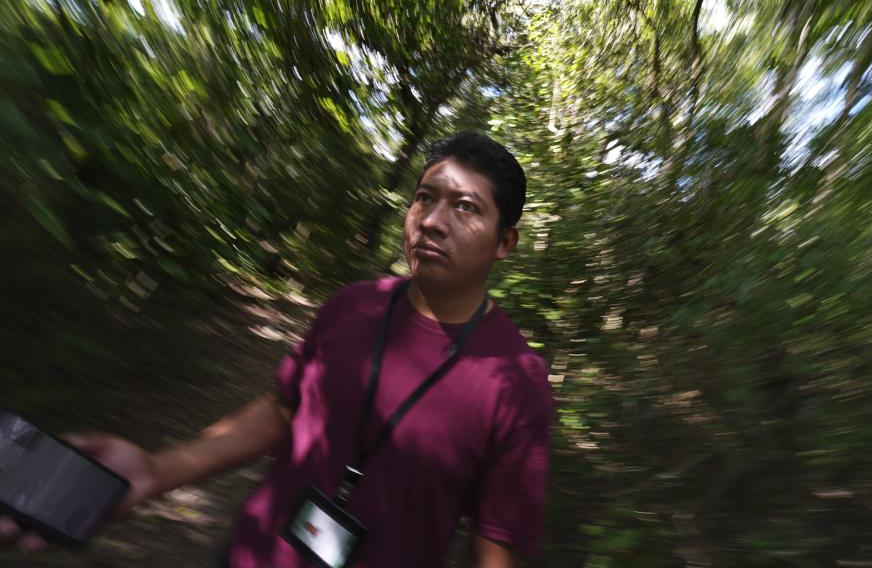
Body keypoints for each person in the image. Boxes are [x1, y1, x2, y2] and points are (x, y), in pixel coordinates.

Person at [0, 131, 554, 568]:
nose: (432, 221)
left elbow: (493, 545)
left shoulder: (517, 381)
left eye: (465, 207)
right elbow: (282, 413)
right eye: (425, 198)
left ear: (505, 242)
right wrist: (151, 471)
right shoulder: (352, 307)